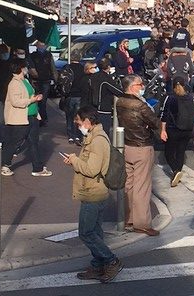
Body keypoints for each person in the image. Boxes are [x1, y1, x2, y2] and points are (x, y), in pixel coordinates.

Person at [63, 105, 123, 283]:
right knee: (95, 231)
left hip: (93, 192)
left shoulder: (97, 140)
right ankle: (98, 266)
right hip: (93, 190)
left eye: (79, 122)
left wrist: (74, 160)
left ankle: (111, 261)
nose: (78, 125)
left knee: (86, 232)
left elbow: (91, 169)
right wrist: (75, 160)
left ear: (88, 122)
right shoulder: (93, 136)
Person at [116, 74, 161, 236]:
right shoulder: (140, 106)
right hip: (142, 146)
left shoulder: (120, 102)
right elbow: (154, 122)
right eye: (140, 84)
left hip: (127, 146)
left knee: (129, 184)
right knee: (142, 186)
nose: (142, 87)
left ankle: (129, 218)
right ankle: (141, 223)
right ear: (132, 87)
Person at [1, 59, 52, 177]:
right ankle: (5, 164)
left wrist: (35, 97)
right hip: (20, 118)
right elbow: (16, 101)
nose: (26, 69)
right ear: (20, 69)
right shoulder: (14, 83)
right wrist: (32, 100)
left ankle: (37, 168)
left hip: (32, 116)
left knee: (34, 142)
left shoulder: (25, 81)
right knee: (15, 142)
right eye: (25, 67)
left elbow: (27, 95)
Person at [160, 77, 194, 187]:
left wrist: (163, 130)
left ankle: (175, 171)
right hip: (187, 130)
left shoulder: (170, 98)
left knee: (168, 153)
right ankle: (177, 173)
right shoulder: (190, 98)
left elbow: (164, 115)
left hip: (173, 129)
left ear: (173, 86)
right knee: (181, 152)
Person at [89, 57, 124, 136]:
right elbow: (117, 91)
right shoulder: (106, 78)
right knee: (104, 131)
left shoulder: (93, 76)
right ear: (108, 67)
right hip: (104, 108)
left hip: (92, 106)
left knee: (93, 130)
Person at [28, 40, 58, 126]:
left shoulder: (48, 55)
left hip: (45, 80)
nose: (42, 46)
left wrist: (56, 80)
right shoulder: (33, 55)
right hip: (36, 81)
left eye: (43, 44)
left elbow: (52, 67)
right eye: (40, 44)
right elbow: (31, 68)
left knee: (43, 101)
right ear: (37, 46)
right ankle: (38, 118)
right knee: (36, 100)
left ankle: (43, 119)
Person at [63, 54, 86, 144]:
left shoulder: (67, 68)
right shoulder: (82, 69)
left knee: (69, 116)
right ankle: (78, 135)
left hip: (69, 95)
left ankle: (70, 136)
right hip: (79, 95)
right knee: (79, 117)